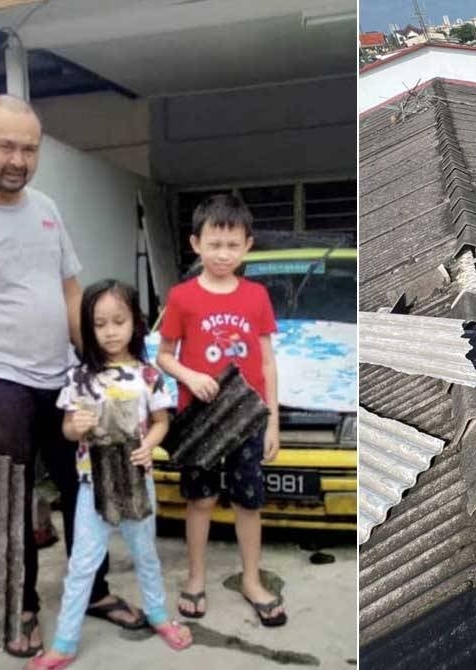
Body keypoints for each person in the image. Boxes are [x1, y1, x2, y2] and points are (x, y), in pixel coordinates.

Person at [0, 94, 145, 658]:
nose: (18, 159)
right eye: (7, 146)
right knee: (7, 499)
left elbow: (71, 289)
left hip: (63, 377)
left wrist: (96, 362)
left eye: (29, 148)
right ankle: (19, 607)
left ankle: (92, 589)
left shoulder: (46, 207)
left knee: (86, 488)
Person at [26, 280, 192, 670]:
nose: (111, 330)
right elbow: (67, 429)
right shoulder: (78, 378)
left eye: (119, 321)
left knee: (146, 555)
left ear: (135, 322)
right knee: (83, 562)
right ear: (88, 328)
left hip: (137, 480)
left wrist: (149, 444)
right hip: (91, 485)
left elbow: (161, 421)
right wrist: (77, 426)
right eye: (100, 323)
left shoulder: (148, 375)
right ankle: (65, 643)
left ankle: (157, 615)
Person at [156, 193, 287, 626]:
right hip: (200, 421)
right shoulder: (181, 297)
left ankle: (251, 579)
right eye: (214, 243)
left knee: (249, 503)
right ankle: (195, 579)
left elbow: (267, 361)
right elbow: (164, 355)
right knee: (201, 501)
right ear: (196, 244)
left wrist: (272, 421)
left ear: (247, 245)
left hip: (247, 420)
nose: (222, 253)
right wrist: (189, 377)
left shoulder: (256, 297)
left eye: (232, 244)